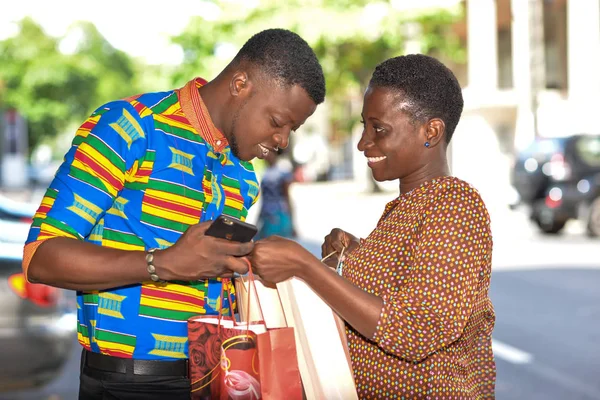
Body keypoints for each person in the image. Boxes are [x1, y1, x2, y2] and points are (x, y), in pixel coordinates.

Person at [22, 28, 325, 399]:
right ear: (240, 84)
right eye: (277, 122)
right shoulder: (131, 127)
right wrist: (161, 263)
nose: (282, 141)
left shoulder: (243, 174)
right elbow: (41, 258)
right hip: (130, 385)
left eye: (293, 128)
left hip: (216, 377)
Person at [248, 54, 496, 399]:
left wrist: (305, 266)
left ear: (431, 131)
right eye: (365, 126)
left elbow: (416, 329)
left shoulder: (455, 204)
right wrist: (355, 256)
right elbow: (402, 284)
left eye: (379, 129)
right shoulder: (406, 208)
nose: (364, 142)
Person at [255, 148, 296, 240]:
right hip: (266, 215)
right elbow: (264, 198)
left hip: (279, 214)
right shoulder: (264, 172)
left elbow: (287, 196)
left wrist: (292, 222)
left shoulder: (282, 172)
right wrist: (258, 220)